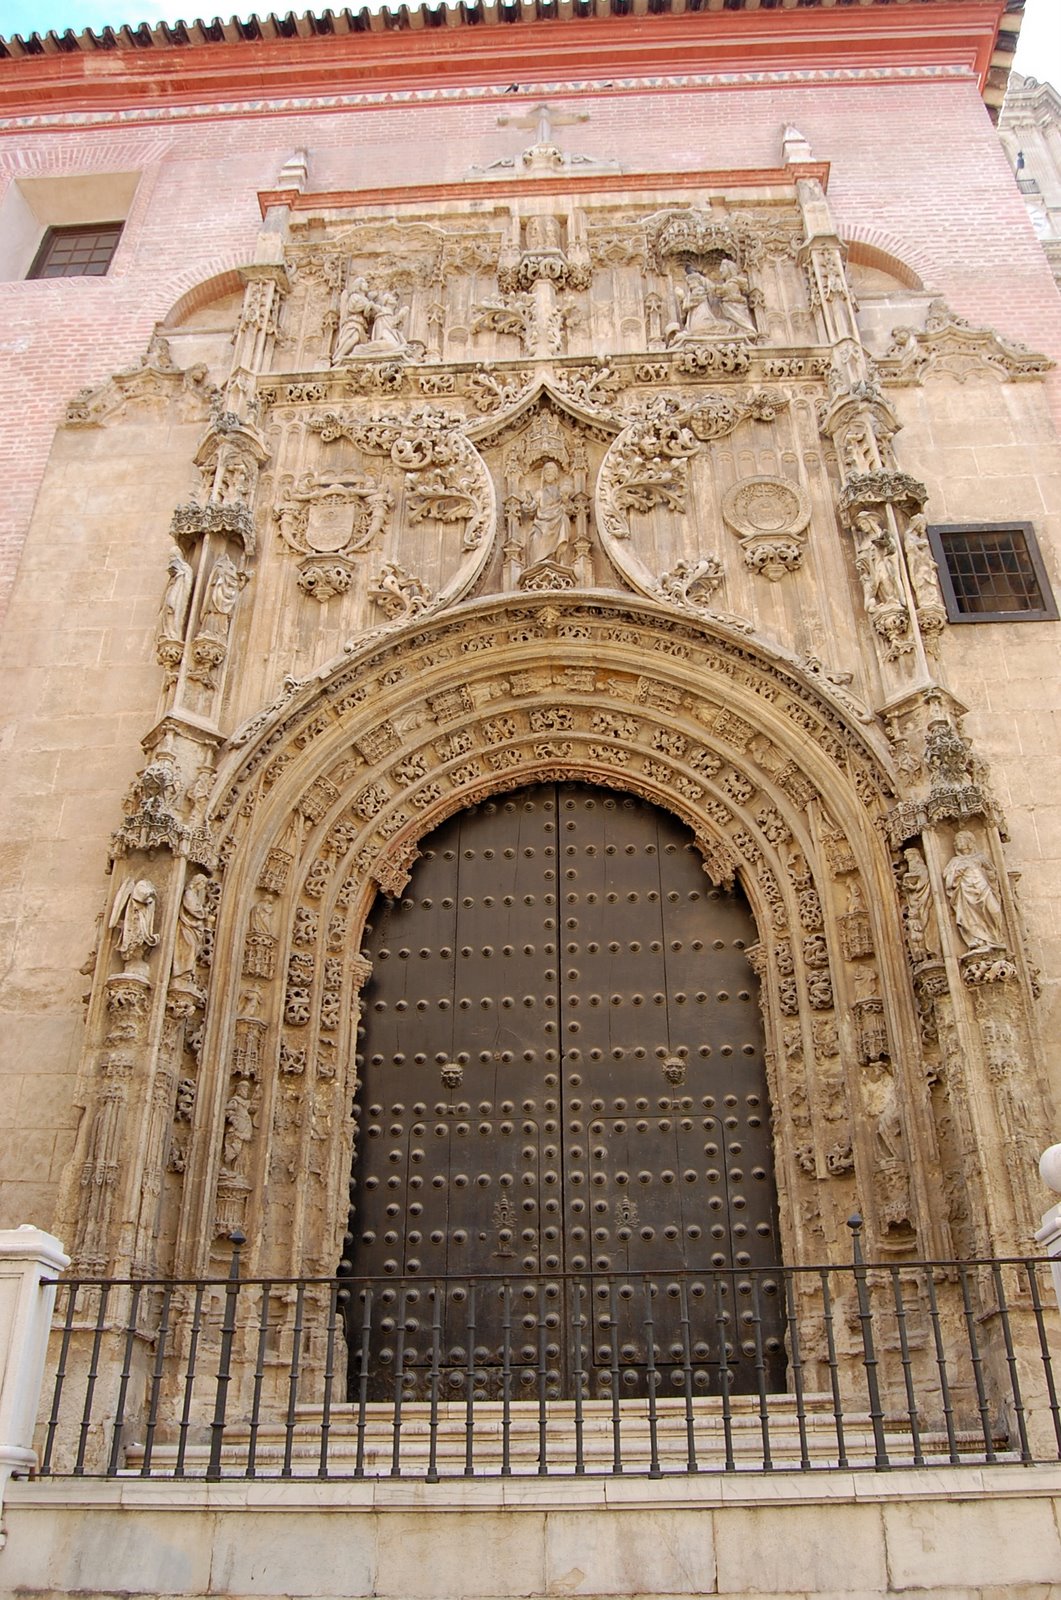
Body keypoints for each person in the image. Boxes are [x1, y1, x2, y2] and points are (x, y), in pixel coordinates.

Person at [943, 831, 1006, 952]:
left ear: (969, 842)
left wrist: (991, 878)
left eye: (960, 840)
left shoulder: (980, 857)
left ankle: (995, 936)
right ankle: (978, 940)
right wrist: (957, 873)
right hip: (966, 893)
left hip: (983, 888)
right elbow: (948, 877)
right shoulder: (955, 861)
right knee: (970, 917)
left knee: (995, 910)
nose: (957, 843)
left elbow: (992, 871)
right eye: (956, 841)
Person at [157, 549, 193, 644]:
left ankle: (173, 633)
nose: (171, 560)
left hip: (177, 595)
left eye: (173, 557)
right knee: (167, 611)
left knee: (172, 608)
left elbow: (186, 586)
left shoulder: (185, 569)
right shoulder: (175, 573)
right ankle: (169, 633)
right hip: (173, 592)